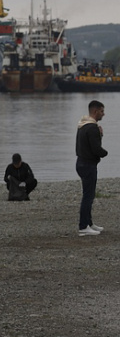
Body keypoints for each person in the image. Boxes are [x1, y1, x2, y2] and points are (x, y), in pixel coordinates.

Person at [76, 100, 108, 237]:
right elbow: (96, 149)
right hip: (88, 164)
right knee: (88, 196)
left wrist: (99, 134)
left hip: (81, 162)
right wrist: (105, 153)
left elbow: (87, 145)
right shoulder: (92, 127)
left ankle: (89, 223)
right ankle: (83, 227)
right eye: (102, 111)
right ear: (95, 111)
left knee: (88, 195)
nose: (103, 114)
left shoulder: (82, 125)